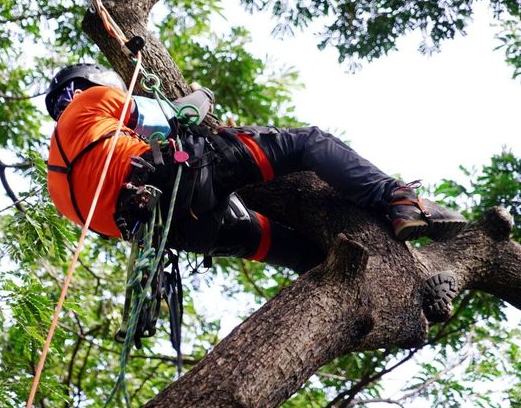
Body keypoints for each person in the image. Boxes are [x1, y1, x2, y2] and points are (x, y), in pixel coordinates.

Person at [45, 63, 467, 274]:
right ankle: (398, 200)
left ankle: (359, 271)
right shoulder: (88, 104)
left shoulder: (58, 192)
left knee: (278, 244)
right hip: (185, 177)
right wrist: (198, 98)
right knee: (308, 143)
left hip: (183, 231)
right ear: (91, 82)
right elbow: (182, 114)